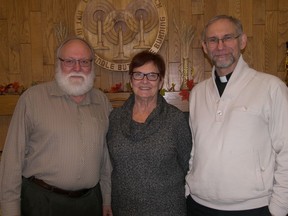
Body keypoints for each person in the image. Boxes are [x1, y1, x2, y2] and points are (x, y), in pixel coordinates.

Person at [185, 15, 288, 216]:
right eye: (213, 40)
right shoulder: (197, 93)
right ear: (205, 47)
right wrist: (189, 189)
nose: (220, 45)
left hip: (253, 208)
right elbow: (196, 149)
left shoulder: (271, 87)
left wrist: (278, 208)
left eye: (227, 37)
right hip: (199, 206)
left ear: (242, 41)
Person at [0, 37, 113, 216]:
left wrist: (107, 198)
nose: (77, 68)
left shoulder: (102, 102)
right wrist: (9, 210)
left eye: (84, 61)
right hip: (42, 202)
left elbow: (106, 156)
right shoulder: (33, 99)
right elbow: (12, 159)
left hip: (90, 203)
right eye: (69, 61)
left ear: (92, 65)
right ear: (58, 63)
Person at [106, 50, 192, 216]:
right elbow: (109, 164)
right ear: (131, 80)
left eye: (152, 75)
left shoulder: (175, 119)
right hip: (123, 207)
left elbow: (187, 165)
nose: (145, 81)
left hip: (166, 208)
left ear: (160, 82)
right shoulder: (115, 118)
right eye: (138, 75)